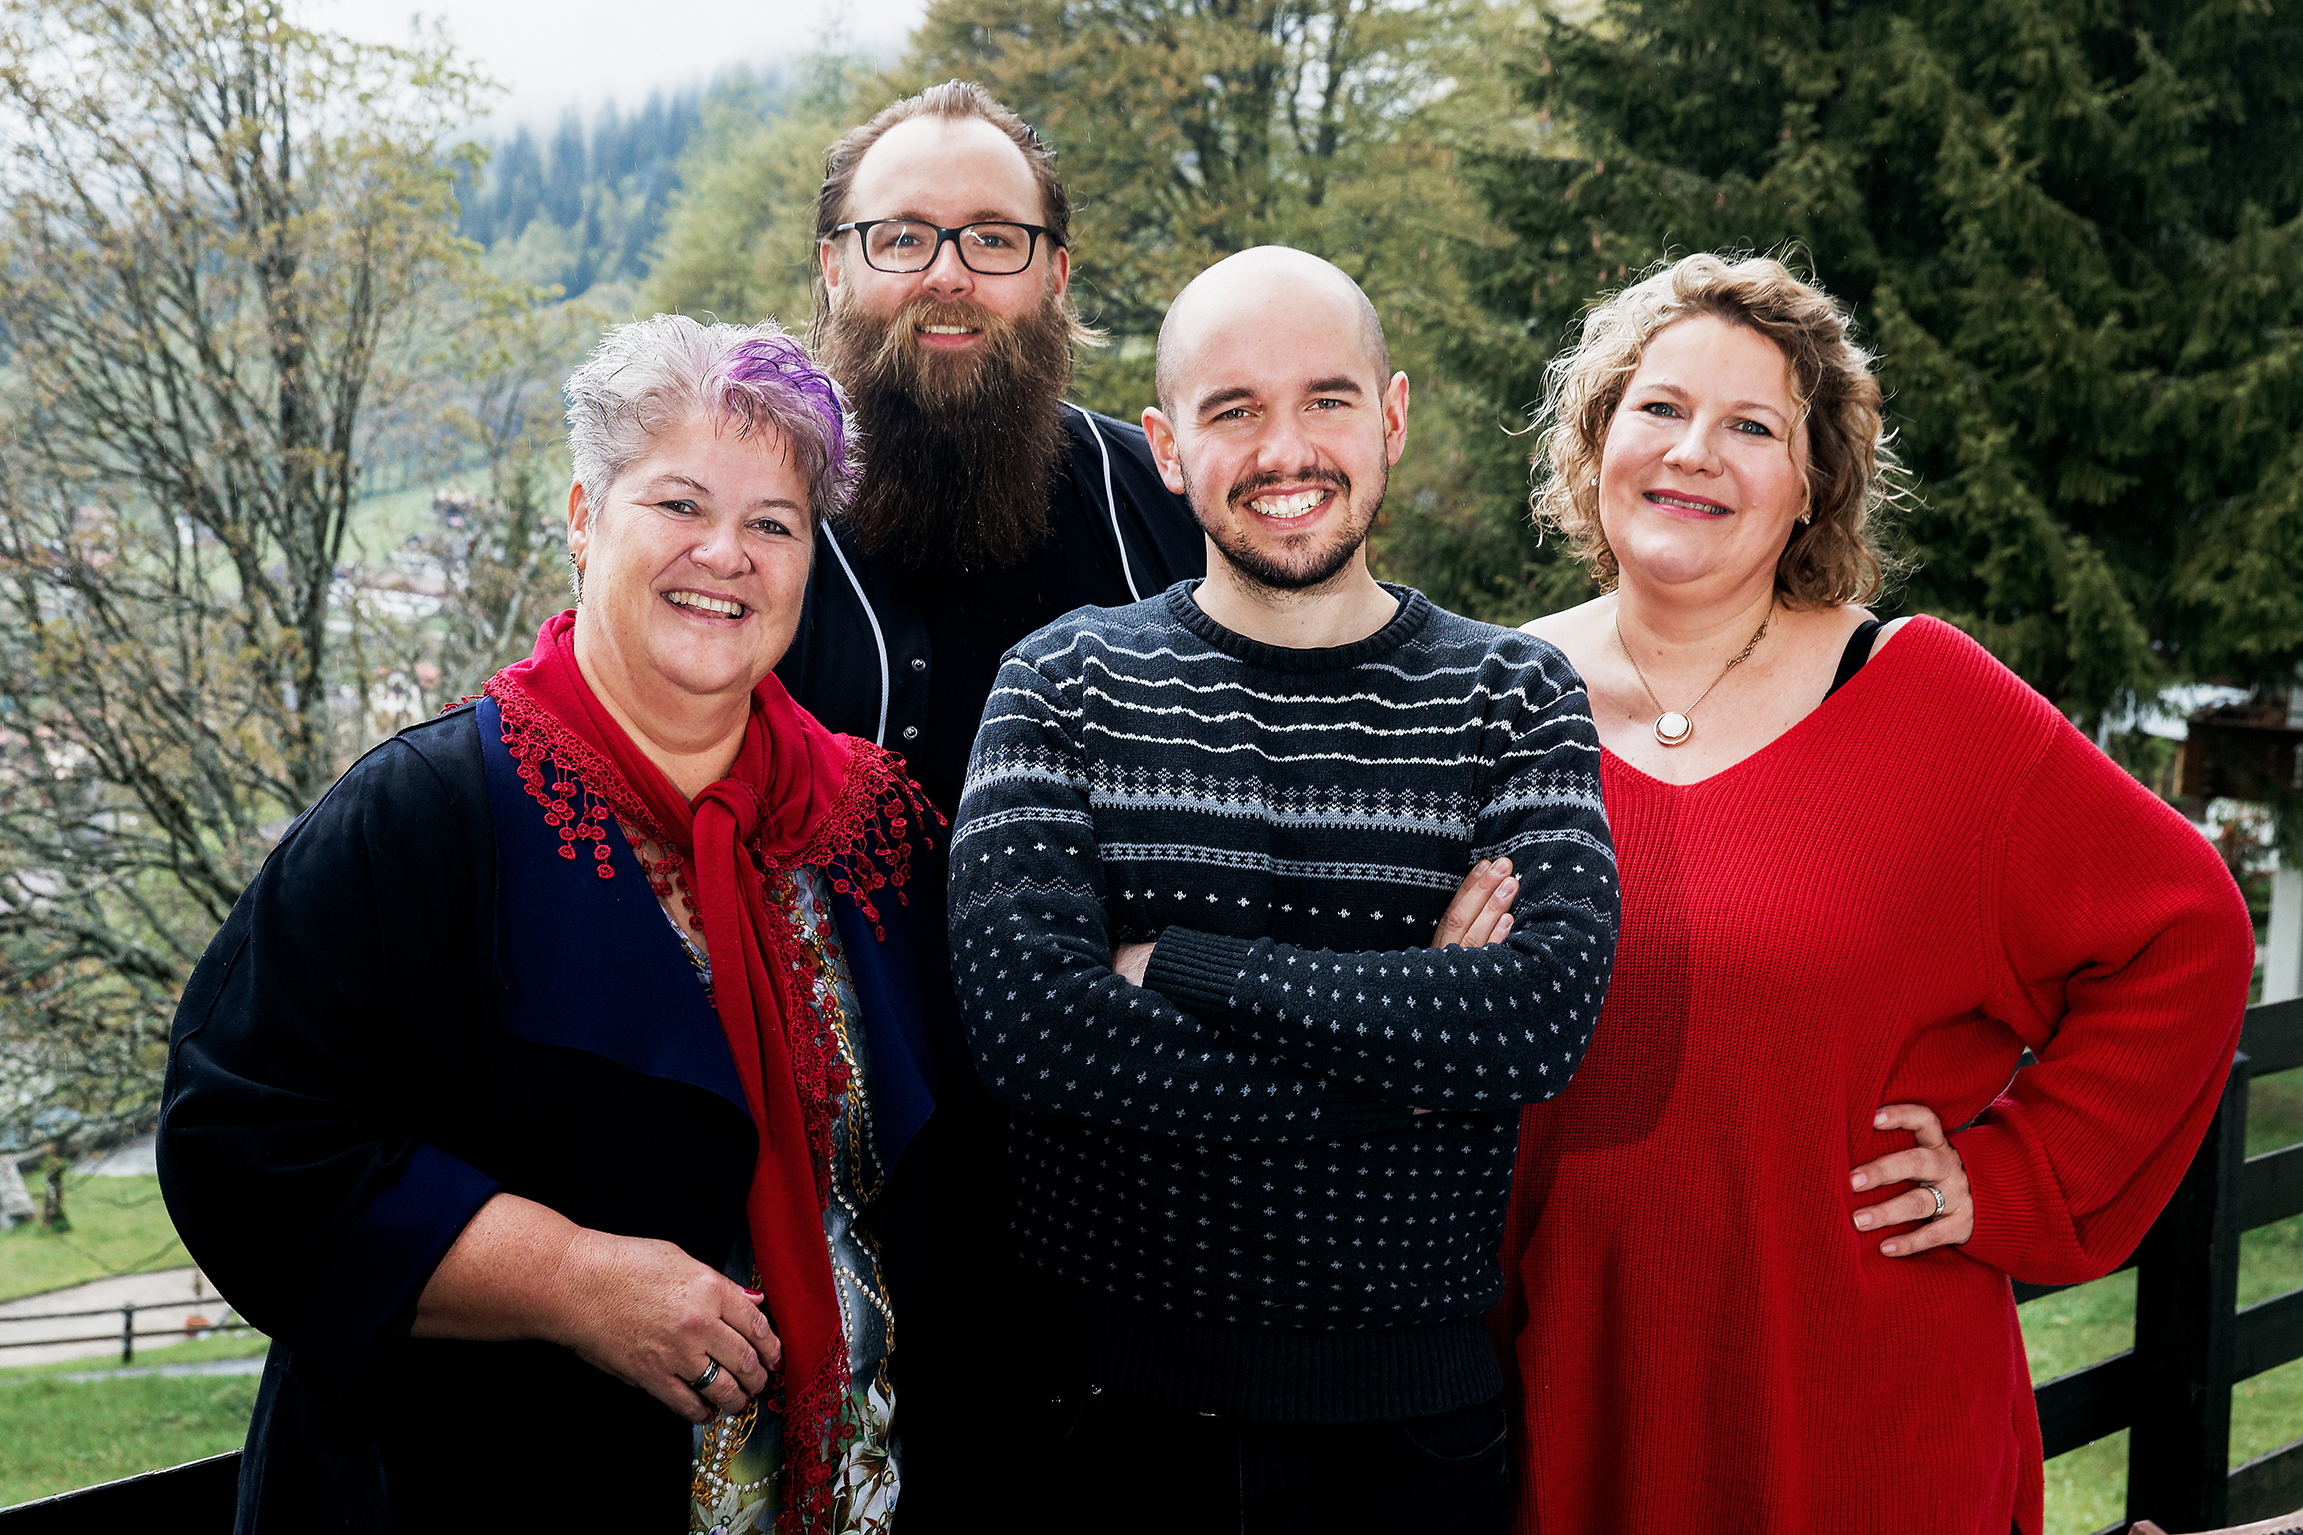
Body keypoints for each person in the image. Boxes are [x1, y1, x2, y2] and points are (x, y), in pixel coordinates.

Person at [1492, 253, 2257, 1535]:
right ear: (1595, 436)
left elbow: (2185, 929)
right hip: (1569, 1380)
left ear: (1812, 484)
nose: (1694, 453)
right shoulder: (1484, 701)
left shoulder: (1928, 701)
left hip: (1860, 1400)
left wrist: (2017, 1169)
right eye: (1660, 407)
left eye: (1752, 427)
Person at [159, 317, 943, 1534]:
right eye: (678, 503)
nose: (724, 554)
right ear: (583, 517)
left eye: (773, 523)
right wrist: (572, 1279)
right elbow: (242, 1139)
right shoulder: (426, 816)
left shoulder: (869, 827)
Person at [946, 245, 1622, 1534]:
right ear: (1163, 442)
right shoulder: (1060, 683)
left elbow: (1536, 1023)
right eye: (1232, 408)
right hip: (1102, 1425)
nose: (1284, 448)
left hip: (1411, 1439)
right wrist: (1422, 1042)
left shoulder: (1514, 698)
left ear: (1392, 414)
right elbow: (1031, 1032)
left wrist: (1174, 967)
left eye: (1324, 398)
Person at [774, 79, 1206, 1513]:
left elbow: (1333, 673)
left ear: (1055, 274)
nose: (946, 273)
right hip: (827, 1249)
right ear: (832, 262)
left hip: (1130, 1238)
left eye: (991, 238)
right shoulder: (743, 527)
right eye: (900, 235)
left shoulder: (1155, 507)